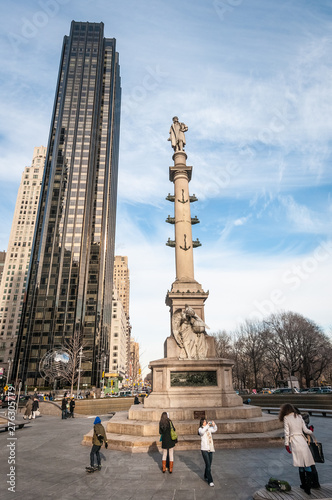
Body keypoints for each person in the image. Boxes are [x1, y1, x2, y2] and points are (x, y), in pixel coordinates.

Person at [279, 403, 315, 495]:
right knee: (307, 463)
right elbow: (306, 431)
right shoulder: (299, 417)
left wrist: (286, 444)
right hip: (302, 440)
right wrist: (311, 430)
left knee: (300, 464)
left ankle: (303, 484)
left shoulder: (286, 418)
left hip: (295, 442)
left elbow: (286, 432)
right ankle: (308, 486)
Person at [199, 418, 217, 487]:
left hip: (210, 448)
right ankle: (210, 481)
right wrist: (207, 426)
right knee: (208, 465)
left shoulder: (209, 428)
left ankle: (205, 475)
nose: (205, 422)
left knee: (209, 464)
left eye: (206, 421)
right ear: (201, 423)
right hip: (204, 449)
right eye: (204, 422)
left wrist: (214, 424)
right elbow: (202, 432)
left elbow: (215, 429)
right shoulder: (200, 429)